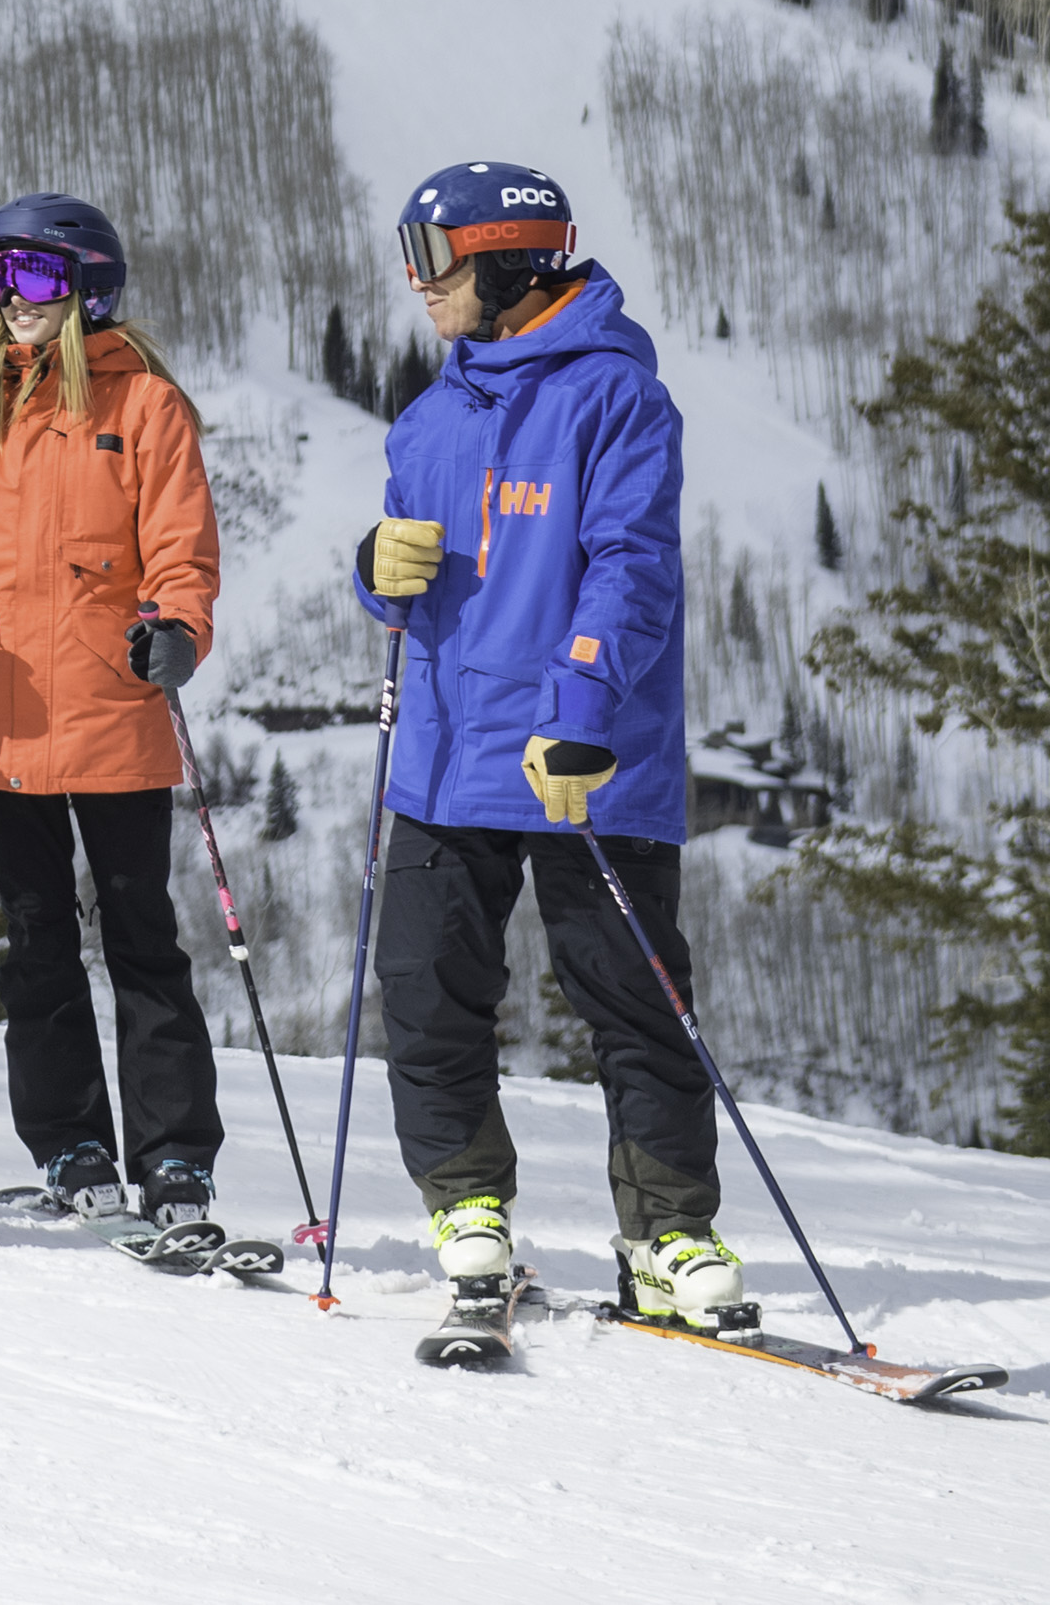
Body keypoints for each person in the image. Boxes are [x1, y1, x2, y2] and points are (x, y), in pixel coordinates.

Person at [358, 163, 746, 1331]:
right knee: (427, 991)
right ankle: (465, 1201)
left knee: (634, 997)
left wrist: (577, 713)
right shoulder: (429, 416)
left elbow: (633, 567)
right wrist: (373, 568)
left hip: (583, 755)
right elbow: (409, 581)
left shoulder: (616, 397)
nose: (418, 282)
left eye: (435, 257)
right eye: (411, 255)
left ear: (512, 263)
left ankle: (667, 1231)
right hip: (446, 756)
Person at [0, 193, 225, 1229]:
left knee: (142, 936)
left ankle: (174, 1155)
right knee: (36, 941)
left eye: (31, 275)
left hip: (114, 705)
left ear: (88, 286)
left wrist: (177, 627)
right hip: (1, 714)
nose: (9, 296)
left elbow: (182, 551)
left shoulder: (146, 406)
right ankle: (70, 1142)